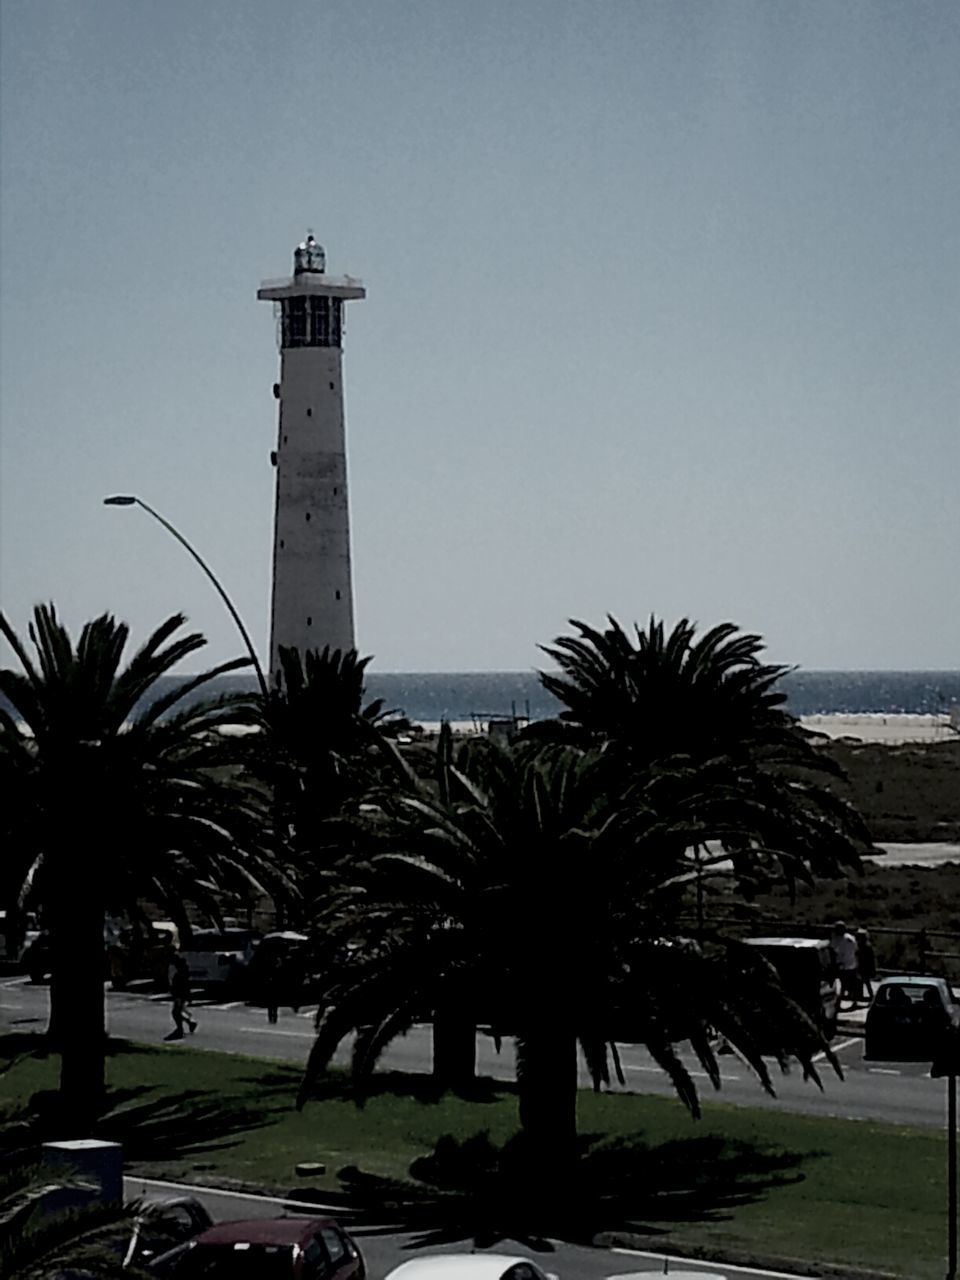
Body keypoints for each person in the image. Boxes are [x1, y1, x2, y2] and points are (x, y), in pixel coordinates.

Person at [166, 953, 197, 1040]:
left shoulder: (179, 973)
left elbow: (182, 985)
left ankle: (181, 1028)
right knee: (177, 1012)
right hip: (181, 994)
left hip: (180, 995)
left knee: (175, 1013)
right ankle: (189, 1023)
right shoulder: (181, 971)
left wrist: (177, 995)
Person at [830, 920, 860, 1010]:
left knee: (842, 985)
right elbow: (856, 950)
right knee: (853, 985)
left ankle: (839, 1003)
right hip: (852, 964)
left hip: (842, 966)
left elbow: (834, 951)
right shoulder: (851, 938)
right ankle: (854, 1002)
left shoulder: (837, 940)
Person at [856, 927, 877, 1002]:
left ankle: (870, 996)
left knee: (865, 982)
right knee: (862, 982)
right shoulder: (863, 945)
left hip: (864, 966)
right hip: (863, 965)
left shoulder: (865, 946)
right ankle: (862, 995)